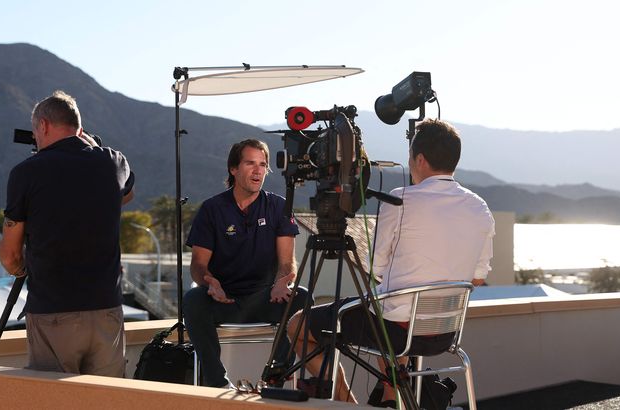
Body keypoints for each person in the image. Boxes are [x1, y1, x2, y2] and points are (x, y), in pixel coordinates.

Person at [288, 118, 495, 404]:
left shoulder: (400, 200)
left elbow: (378, 269)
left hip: (398, 332)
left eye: (410, 157)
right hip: (446, 333)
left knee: (297, 325)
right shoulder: (479, 207)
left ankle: (349, 404)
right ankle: (389, 397)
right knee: (390, 310)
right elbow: (477, 278)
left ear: (419, 159)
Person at [0, 90, 135, 377]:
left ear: (43, 126)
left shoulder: (27, 172)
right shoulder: (114, 161)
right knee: (109, 400)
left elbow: (10, 255)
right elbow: (126, 193)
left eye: (36, 131)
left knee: (56, 401)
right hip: (107, 310)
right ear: (80, 129)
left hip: (54, 311)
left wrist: (21, 266)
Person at [183, 138, 310, 388]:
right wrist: (210, 283)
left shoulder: (279, 206)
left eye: (262, 164)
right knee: (192, 299)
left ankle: (274, 378)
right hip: (224, 300)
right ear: (233, 169)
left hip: (266, 299)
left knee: (302, 297)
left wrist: (282, 283)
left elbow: (288, 262)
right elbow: (198, 264)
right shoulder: (212, 209)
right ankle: (217, 382)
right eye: (250, 163)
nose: (258, 170)